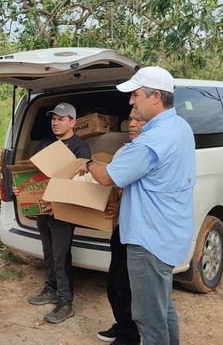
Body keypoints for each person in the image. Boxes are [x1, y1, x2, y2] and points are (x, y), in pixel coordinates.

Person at [83, 66, 196, 345]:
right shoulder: (179, 126)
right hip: (168, 235)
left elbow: (107, 176)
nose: (131, 102)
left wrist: (87, 163)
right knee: (163, 306)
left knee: (148, 317)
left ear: (155, 96)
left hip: (149, 240)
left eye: (135, 95)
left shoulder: (152, 140)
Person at [15, 102, 91, 324]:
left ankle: (65, 301)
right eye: (53, 119)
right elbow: (32, 174)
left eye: (61, 118)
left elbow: (81, 183)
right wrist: (21, 187)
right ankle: (52, 287)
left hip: (63, 210)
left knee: (60, 255)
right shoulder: (45, 143)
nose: (55, 122)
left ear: (73, 122)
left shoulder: (80, 148)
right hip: (42, 207)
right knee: (48, 253)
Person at [97, 108, 144, 345]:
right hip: (120, 228)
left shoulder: (147, 151)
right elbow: (117, 187)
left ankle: (130, 335)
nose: (133, 124)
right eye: (131, 120)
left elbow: (143, 193)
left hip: (137, 231)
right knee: (113, 282)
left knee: (125, 285)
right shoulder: (125, 150)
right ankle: (122, 324)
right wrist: (116, 205)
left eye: (139, 120)